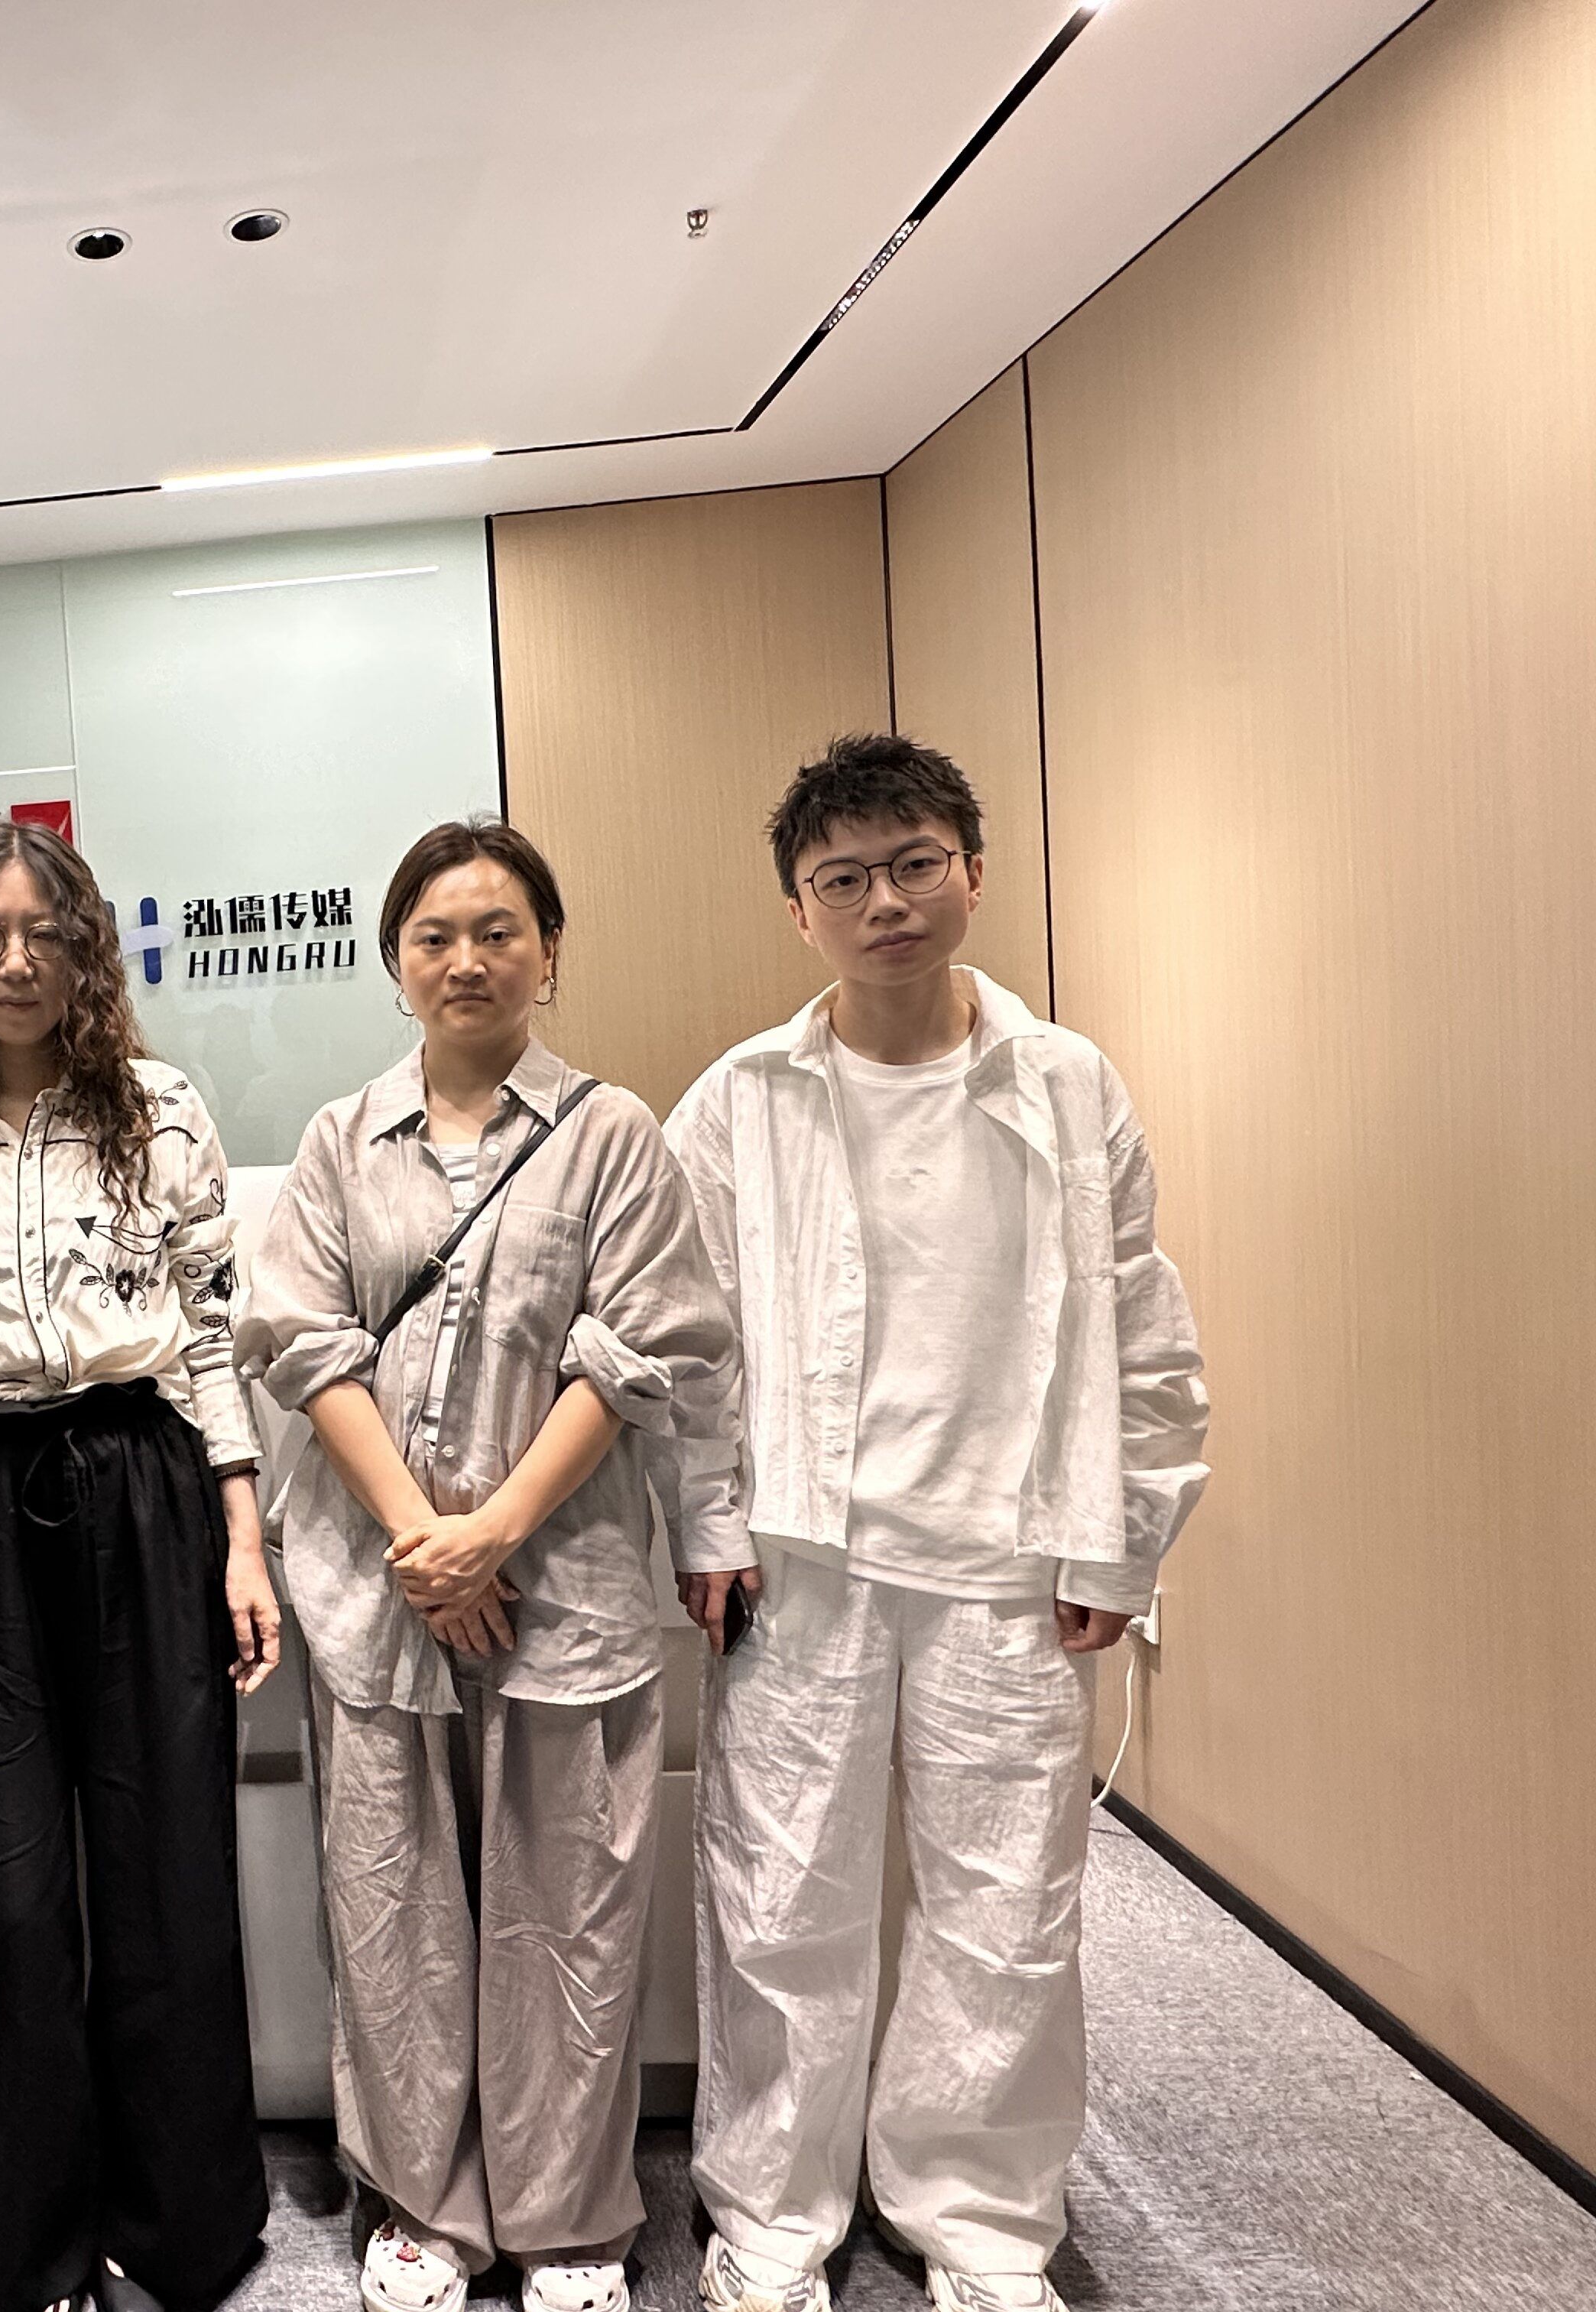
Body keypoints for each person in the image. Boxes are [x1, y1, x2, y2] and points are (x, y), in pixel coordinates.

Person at [666, 735, 1211, 2312]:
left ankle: (976, 2218)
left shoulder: (1067, 1082)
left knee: (1008, 1911)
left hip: (1010, 1563)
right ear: (800, 912)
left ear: (972, 870)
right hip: (804, 1561)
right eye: (843, 879)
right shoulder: (742, 1099)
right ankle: (773, 2214)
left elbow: (1145, 1329)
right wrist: (709, 1524)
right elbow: (692, 1346)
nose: (885, 903)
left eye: (914, 865)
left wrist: (1124, 1543)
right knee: (784, 1904)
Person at [242, 819, 738, 2312]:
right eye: (435, 936)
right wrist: (425, 1540)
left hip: (565, 1590)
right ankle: (423, 2207)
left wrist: (494, 1533)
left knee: (566, 1909)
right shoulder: (340, 1141)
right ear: (395, 964)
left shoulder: (614, 1135)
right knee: (391, 1909)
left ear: (550, 952)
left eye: (499, 930)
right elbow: (302, 1342)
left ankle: (568, 2217)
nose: (467, 960)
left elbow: (644, 1350)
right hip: (380, 1591)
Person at [0, 818, 281, 2312]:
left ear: (86, 951)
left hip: (147, 1482)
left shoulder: (159, 1111)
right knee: (5, 1882)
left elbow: (214, 1332)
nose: (17, 961)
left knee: (167, 1867)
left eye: (45, 934)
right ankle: (16, 2232)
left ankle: (175, 2228)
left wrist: (242, 1535)